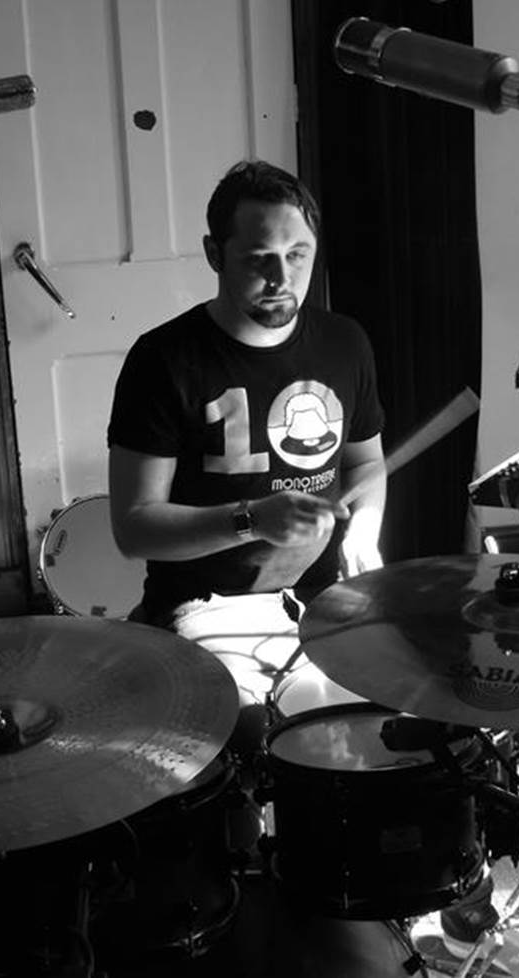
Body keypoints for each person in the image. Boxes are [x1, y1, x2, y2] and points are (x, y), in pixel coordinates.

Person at [106, 159, 386, 720]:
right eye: (260, 259)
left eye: (298, 255)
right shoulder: (163, 360)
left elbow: (366, 465)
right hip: (206, 604)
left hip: (322, 597)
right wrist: (252, 520)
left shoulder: (345, 342)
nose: (283, 279)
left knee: (390, 713)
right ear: (215, 254)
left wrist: (364, 529)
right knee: (259, 729)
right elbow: (134, 529)